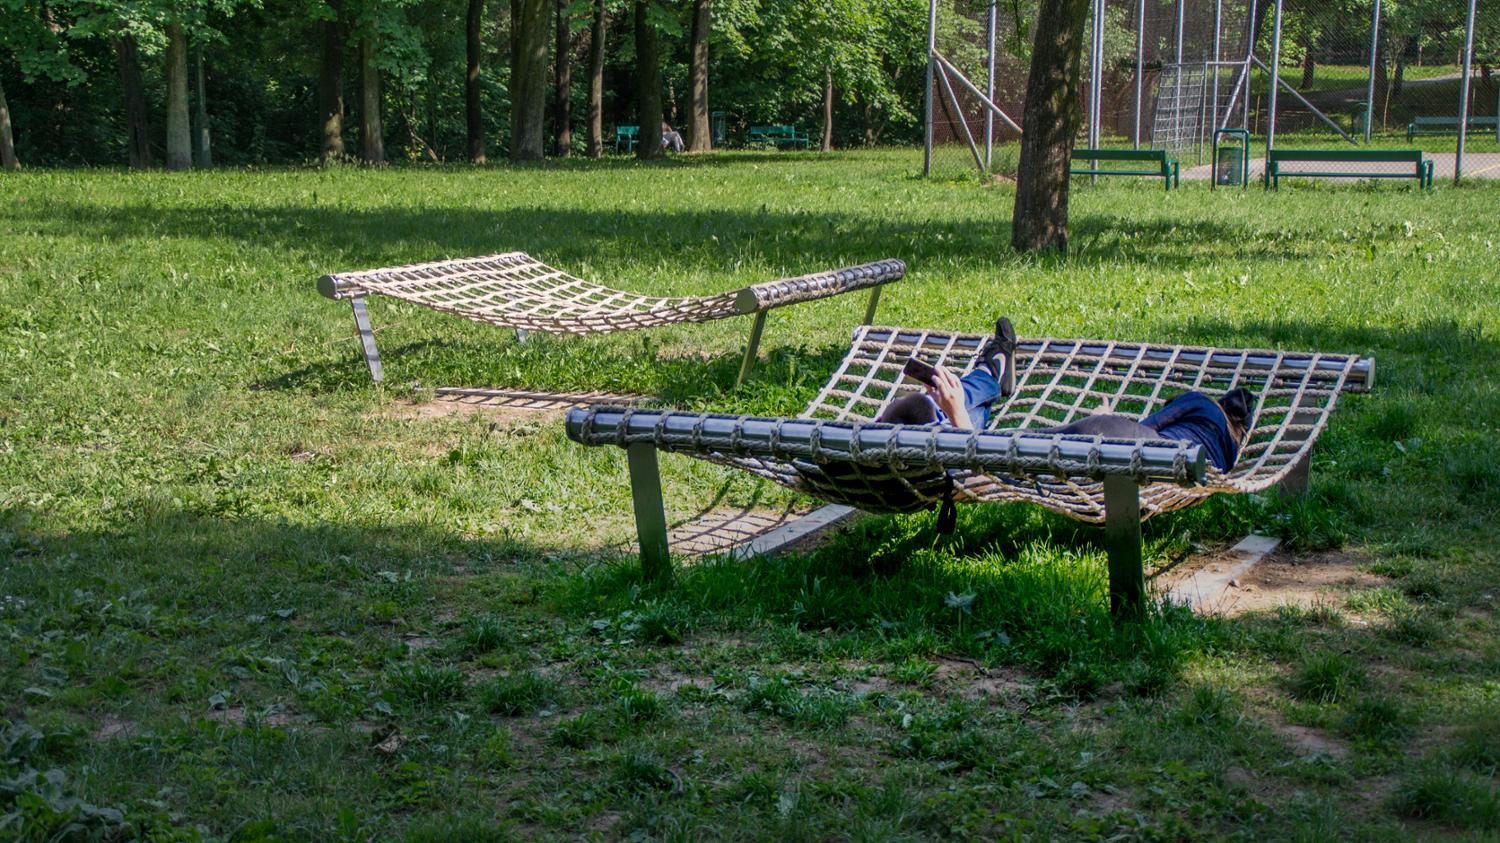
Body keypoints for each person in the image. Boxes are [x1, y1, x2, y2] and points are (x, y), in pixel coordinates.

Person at [878, 317, 1254, 472]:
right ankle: (982, 385)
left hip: (1123, 440)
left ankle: (972, 400)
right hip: (1151, 468)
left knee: (1009, 449)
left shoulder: (1204, 405)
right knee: (1017, 449)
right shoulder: (1224, 459)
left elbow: (1151, 428)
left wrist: (1105, 414)